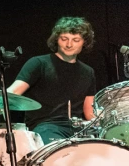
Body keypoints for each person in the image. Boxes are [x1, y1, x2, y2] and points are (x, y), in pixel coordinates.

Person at [6, 16, 96, 144]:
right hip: (46, 126)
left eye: (75, 40)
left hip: (78, 129)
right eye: (64, 39)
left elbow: (89, 112)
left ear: (84, 42)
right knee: (61, 153)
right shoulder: (39, 63)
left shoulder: (88, 72)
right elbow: (14, 92)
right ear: (56, 39)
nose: (69, 44)